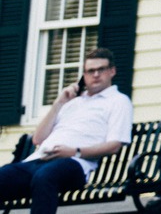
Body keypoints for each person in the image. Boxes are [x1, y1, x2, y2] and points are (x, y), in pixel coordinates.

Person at [0, 48, 132, 214]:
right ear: (84, 75)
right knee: (3, 176)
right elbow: (38, 139)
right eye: (90, 71)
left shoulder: (118, 101)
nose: (96, 75)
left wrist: (73, 152)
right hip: (38, 160)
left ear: (112, 71)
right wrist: (58, 103)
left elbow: (114, 145)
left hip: (75, 164)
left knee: (45, 177)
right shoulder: (71, 102)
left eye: (101, 69)